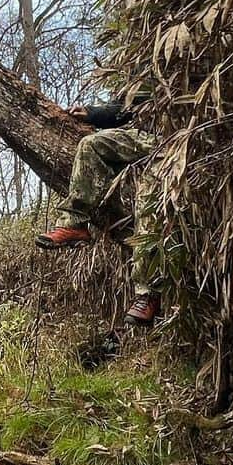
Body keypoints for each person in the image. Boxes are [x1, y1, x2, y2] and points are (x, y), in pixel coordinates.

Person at [35, 100, 162, 326]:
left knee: (148, 198)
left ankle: (147, 292)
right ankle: (74, 223)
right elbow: (128, 107)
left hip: (176, 140)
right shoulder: (145, 72)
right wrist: (92, 113)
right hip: (142, 136)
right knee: (90, 144)